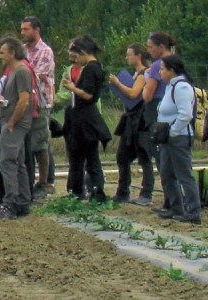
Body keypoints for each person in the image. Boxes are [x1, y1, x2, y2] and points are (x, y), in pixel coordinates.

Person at [59, 35, 112, 202]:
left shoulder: (90, 69)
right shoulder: (97, 67)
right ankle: (91, 190)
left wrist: (72, 88)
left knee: (82, 157)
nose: (76, 60)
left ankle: (81, 191)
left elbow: (88, 94)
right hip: (84, 117)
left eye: (76, 56)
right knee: (88, 157)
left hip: (84, 118)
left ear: (83, 53)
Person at [154, 55, 201, 224]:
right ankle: (176, 208)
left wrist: (173, 132)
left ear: (171, 70)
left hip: (178, 137)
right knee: (167, 173)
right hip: (168, 138)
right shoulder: (170, 86)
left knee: (184, 175)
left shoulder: (181, 87)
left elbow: (186, 114)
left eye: (162, 68)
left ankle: (193, 212)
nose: (159, 72)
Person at [0, 36, 34, 220]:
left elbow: (24, 99)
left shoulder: (22, 71)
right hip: (11, 121)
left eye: (3, 52)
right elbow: (16, 98)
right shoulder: (13, 72)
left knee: (7, 162)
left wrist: (12, 122)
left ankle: (10, 204)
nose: (0, 55)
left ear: (13, 52)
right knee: (17, 162)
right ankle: (23, 202)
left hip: (14, 124)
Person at [108, 44, 156, 205]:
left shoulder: (143, 75)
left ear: (138, 56)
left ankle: (146, 193)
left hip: (140, 120)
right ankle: (123, 191)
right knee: (122, 156)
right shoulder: (136, 74)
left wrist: (117, 83)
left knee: (144, 156)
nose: (127, 57)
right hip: (130, 119)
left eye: (129, 54)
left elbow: (134, 93)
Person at [21, 16, 56, 201]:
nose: (23, 33)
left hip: (40, 102)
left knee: (40, 144)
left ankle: (43, 182)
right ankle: (29, 182)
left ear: (36, 30)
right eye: (22, 30)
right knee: (27, 144)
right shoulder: (22, 50)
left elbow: (37, 74)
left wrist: (22, 73)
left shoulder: (46, 51)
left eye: (26, 29)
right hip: (25, 103)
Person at [142, 32, 177, 209]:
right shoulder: (177, 62)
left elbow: (147, 95)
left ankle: (169, 201)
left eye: (150, 46)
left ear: (161, 46)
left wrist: (144, 80)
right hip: (174, 113)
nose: (148, 50)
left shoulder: (158, 66)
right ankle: (176, 198)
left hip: (156, 113)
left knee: (161, 158)